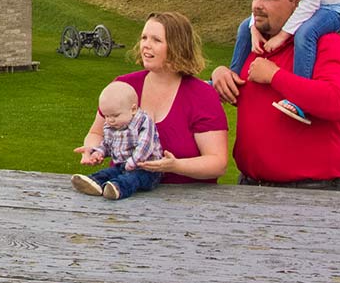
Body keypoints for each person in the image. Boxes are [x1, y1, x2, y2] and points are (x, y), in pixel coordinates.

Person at [211, 0, 340, 191]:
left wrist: (275, 76)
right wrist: (219, 76)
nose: (257, 5)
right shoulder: (255, 45)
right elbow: (238, 94)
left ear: (297, 3)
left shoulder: (328, 45)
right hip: (250, 187)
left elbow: (337, 102)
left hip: (312, 193)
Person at [77, 12, 228, 189]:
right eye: (144, 38)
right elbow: (96, 133)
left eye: (156, 40)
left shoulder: (202, 95)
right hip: (126, 199)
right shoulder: (123, 85)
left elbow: (217, 163)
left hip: (187, 203)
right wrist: (92, 150)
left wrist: (175, 166)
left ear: (176, 47)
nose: (146, 46)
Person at [72, 82, 165, 200]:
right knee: (109, 172)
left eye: (115, 115)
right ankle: (93, 182)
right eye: (106, 116)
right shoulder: (111, 125)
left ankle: (117, 188)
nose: (110, 120)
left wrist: (131, 163)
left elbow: (144, 147)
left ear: (133, 109)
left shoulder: (144, 122)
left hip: (147, 169)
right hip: (122, 165)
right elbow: (107, 144)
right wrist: (98, 153)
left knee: (132, 178)